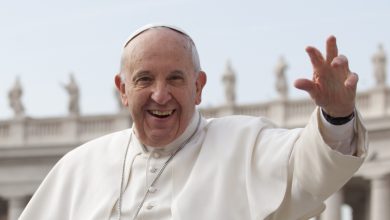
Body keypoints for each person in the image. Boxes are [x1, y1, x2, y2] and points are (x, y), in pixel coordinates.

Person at [20, 24, 368, 220]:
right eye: (144, 80)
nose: (160, 95)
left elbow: (311, 167)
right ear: (122, 90)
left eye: (175, 79)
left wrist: (337, 115)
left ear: (198, 87)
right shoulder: (78, 168)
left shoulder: (245, 143)